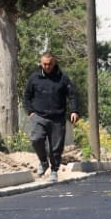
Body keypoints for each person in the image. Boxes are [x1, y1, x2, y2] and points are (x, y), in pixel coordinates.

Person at [23, 51, 80, 182]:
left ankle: (54, 170)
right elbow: (27, 96)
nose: (47, 67)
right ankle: (43, 161)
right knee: (36, 139)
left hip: (57, 118)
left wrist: (74, 111)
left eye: (50, 64)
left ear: (54, 63)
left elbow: (72, 95)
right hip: (39, 116)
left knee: (56, 147)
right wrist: (30, 112)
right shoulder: (34, 78)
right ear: (40, 63)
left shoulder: (62, 78)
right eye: (45, 64)